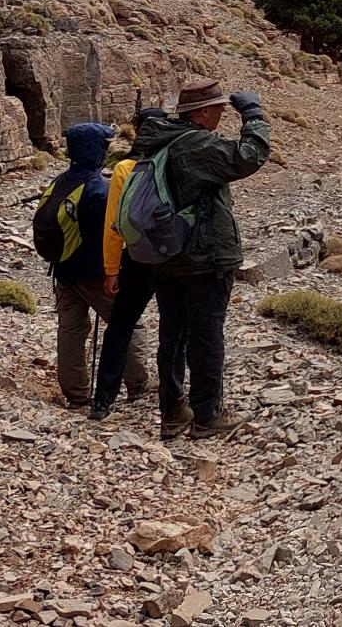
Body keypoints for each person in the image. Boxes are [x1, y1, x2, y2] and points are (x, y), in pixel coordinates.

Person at [90, 81, 270, 439]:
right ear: (201, 112)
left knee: (172, 334)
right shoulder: (196, 144)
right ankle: (208, 414)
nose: (222, 113)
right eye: (218, 107)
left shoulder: (159, 139)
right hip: (203, 257)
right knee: (206, 336)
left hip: (166, 255)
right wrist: (253, 115)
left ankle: (172, 411)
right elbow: (249, 156)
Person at [35, 121, 149, 409]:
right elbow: (113, 233)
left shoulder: (60, 181)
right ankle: (138, 385)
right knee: (127, 324)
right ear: (97, 150)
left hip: (63, 271)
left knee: (71, 330)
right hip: (95, 274)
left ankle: (77, 395)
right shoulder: (100, 190)